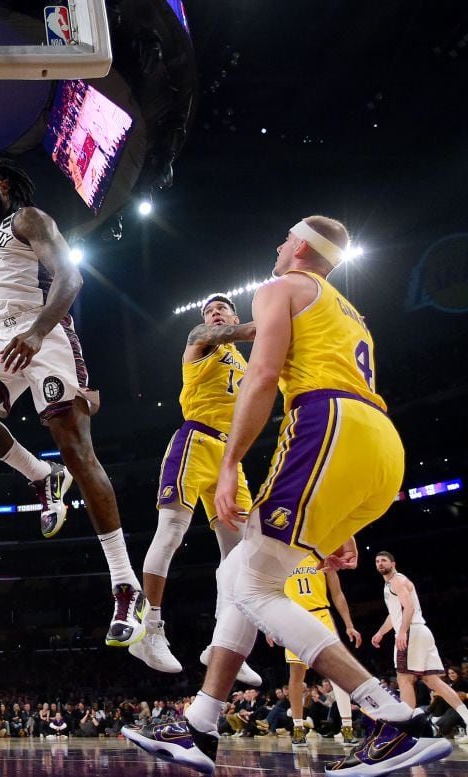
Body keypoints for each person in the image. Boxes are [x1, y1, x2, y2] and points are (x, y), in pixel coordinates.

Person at [123, 215, 452, 774]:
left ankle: (392, 720)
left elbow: (264, 375)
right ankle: (199, 727)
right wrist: (344, 522)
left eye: (283, 239)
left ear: (299, 246)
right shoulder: (346, 310)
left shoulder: (281, 287)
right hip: (376, 445)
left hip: (326, 424)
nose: (276, 246)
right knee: (241, 577)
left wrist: (230, 464)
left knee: (246, 578)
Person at [0, 96, 145, 647]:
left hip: (45, 332)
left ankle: (124, 583)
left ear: (6, 188)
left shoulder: (29, 219)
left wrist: (39, 330)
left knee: (77, 449)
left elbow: (71, 280)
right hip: (2, 334)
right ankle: (40, 477)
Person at [129, 294, 260, 685]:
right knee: (170, 533)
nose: (213, 312)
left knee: (240, 554)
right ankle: (149, 629)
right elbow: (255, 331)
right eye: (209, 309)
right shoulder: (202, 337)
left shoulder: (246, 361)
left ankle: (223, 641)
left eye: (221, 309)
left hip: (229, 457)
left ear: (234, 313)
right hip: (195, 442)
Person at [371, 551, 468, 734]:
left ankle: (409, 728)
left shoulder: (397, 581)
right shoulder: (389, 584)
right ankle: (467, 717)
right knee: (434, 681)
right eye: (377, 561)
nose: (380, 563)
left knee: (404, 678)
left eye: (384, 560)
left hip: (412, 631)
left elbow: (409, 607)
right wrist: (381, 632)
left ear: (393, 563)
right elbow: (394, 614)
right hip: (421, 631)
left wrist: (402, 631)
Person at [277, 553, 361, 746]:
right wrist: (268, 626)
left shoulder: (322, 556)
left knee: (338, 674)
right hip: (293, 619)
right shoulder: (282, 559)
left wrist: (349, 624)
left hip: (321, 616)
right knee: (296, 676)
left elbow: (337, 593)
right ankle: (298, 727)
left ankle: (347, 727)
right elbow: (272, 595)